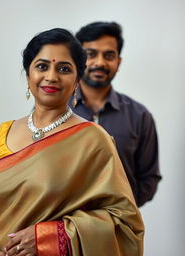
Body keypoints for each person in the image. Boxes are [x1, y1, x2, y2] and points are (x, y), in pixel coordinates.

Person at [0, 28, 144, 256]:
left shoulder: (93, 139)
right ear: (28, 73)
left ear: (77, 80)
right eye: (42, 66)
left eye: (64, 69)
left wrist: (49, 237)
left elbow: (125, 222)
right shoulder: (0, 134)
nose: (51, 76)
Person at [69, 22, 162, 207]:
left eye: (109, 55)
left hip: (119, 230)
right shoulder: (56, 110)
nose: (100, 62)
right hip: (63, 229)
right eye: (91, 54)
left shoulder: (139, 116)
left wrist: (120, 210)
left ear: (118, 62)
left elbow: (149, 179)